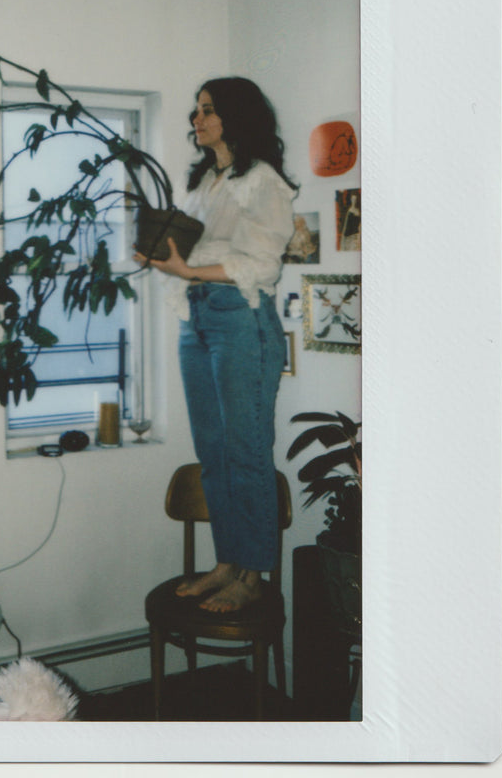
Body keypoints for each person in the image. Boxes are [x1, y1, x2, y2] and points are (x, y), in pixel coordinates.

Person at [135, 77, 297, 612]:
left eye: (206, 110)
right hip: (198, 318)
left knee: (246, 452)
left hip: (241, 321)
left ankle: (251, 576)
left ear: (234, 116)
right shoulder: (207, 181)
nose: (196, 120)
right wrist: (165, 258)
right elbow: (190, 249)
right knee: (213, 452)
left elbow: (262, 264)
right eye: (196, 110)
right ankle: (227, 564)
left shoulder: (263, 182)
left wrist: (187, 267)